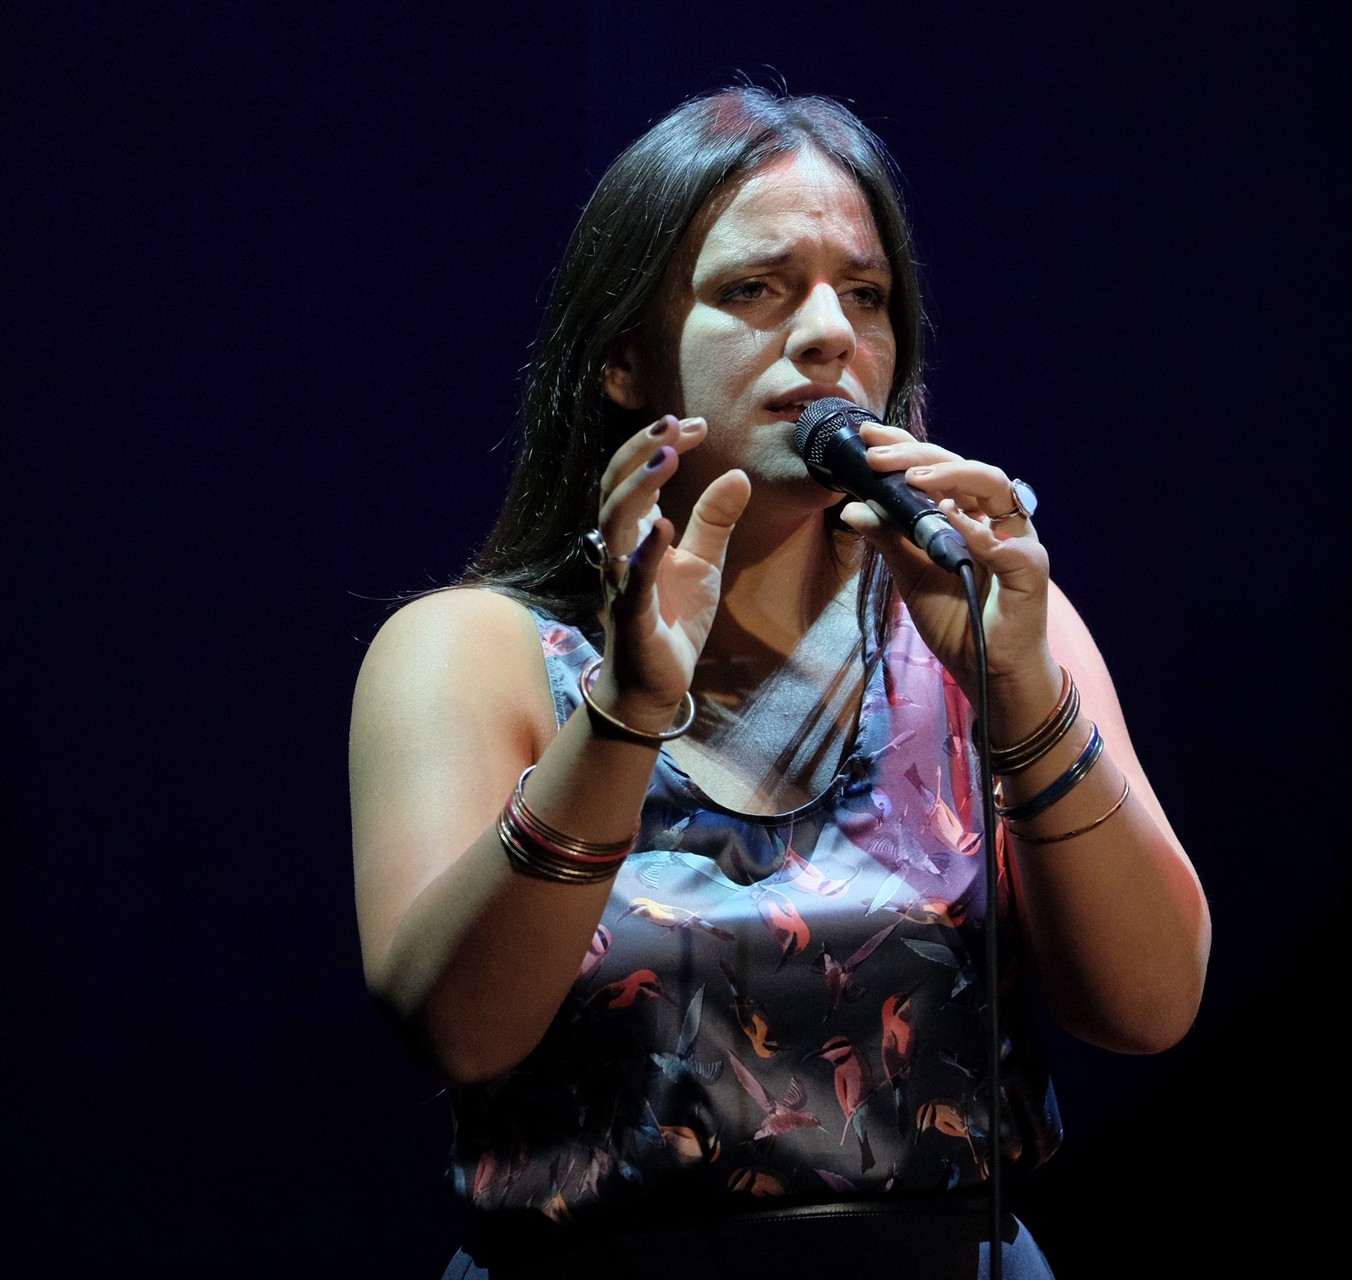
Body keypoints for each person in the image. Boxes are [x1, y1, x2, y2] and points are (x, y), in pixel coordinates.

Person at [349, 86, 1210, 1280]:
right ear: (623, 358)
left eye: (866, 294)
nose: (828, 334)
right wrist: (624, 714)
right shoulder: (473, 651)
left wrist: (1019, 689)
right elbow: (461, 1028)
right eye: (756, 289)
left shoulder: (993, 628)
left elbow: (1151, 1002)